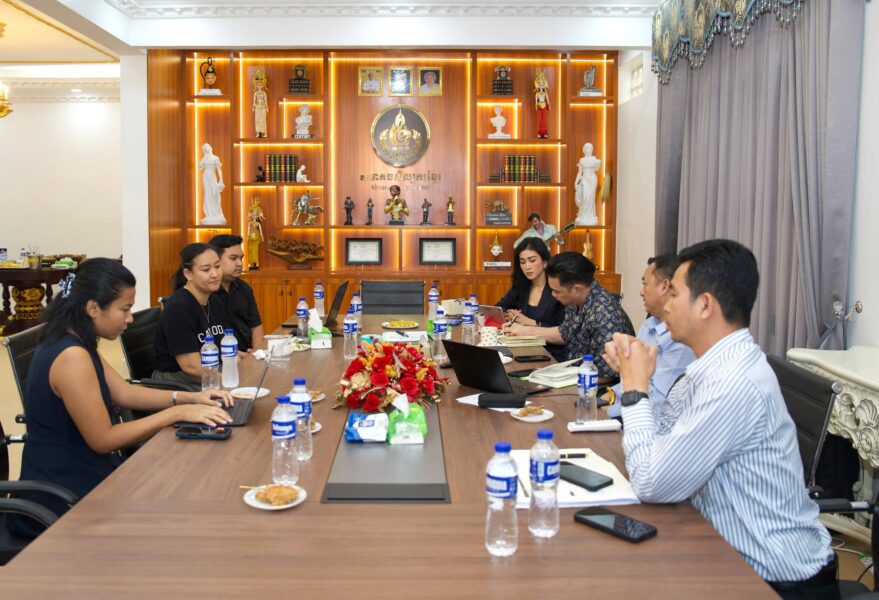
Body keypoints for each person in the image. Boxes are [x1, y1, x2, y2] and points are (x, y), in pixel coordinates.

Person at [604, 239, 838, 598]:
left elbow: (651, 481)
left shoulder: (731, 382)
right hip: (724, 550)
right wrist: (637, 378)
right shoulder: (710, 368)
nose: (666, 304)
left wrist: (635, 390)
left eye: (674, 294)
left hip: (774, 581)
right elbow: (663, 439)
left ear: (705, 305)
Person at [10, 259, 232, 538]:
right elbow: (103, 439)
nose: (130, 319)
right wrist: (177, 413)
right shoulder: (72, 356)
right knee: (175, 507)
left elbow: (124, 393)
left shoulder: (76, 339)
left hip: (86, 472)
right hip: (64, 495)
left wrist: (190, 398)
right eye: (124, 309)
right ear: (93, 308)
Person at [506, 251, 633, 381]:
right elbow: (564, 332)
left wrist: (556, 380)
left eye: (556, 291)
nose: (553, 295)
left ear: (577, 289)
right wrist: (524, 331)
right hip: (572, 374)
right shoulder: (576, 299)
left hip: (592, 386)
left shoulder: (605, 315)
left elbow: (607, 376)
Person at [606, 254, 694, 419]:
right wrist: (609, 397)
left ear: (665, 286)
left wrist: (609, 411)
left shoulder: (682, 339)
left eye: (645, 284)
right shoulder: (650, 323)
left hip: (644, 417)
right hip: (630, 406)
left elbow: (659, 402)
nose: (641, 292)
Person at [152, 243, 238, 390]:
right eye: (206, 269)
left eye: (217, 267)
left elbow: (223, 345)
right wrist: (228, 380)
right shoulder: (179, 307)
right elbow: (191, 367)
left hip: (210, 370)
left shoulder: (214, 300)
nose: (215, 274)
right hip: (178, 380)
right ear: (188, 274)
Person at [497, 238, 565, 361]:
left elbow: (565, 331)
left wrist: (530, 322)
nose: (527, 267)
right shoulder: (521, 286)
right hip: (522, 350)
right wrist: (509, 316)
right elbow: (499, 308)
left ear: (545, 262)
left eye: (532, 260)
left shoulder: (557, 289)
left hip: (550, 354)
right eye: (522, 262)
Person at [209, 234, 265, 352]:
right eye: (233, 258)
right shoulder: (205, 291)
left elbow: (256, 326)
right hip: (220, 355)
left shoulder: (244, 288)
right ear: (215, 260)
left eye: (241, 258)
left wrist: (257, 353)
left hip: (247, 352)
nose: (240, 263)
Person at [198, 143, 226, 225]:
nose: (206, 149)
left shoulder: (215, 158)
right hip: (205, 177)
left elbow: (219, 170)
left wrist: (221, 179)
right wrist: (204, 158)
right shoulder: (205, 158)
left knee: (214, 194)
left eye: (207, 147)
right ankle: (209, 214)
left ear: (210, 148)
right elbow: (200, 167)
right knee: (207, 194)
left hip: (212, 177)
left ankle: (216, 213)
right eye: (204, 149)